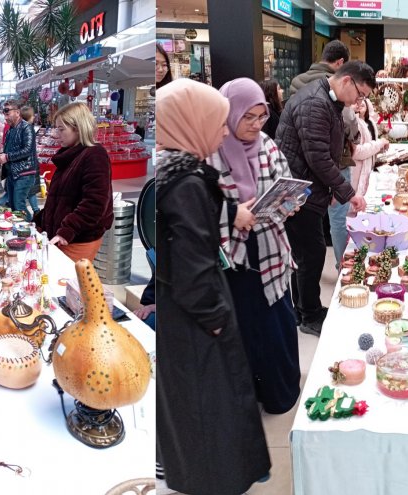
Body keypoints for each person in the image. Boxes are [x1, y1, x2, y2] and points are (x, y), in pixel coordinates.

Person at [156, 78, 271, 495]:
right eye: (217, 123)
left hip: (188, 322)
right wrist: (219, 319)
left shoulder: (177, 172)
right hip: (196, 328)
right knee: (211, 416)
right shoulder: (184, 183)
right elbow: (191, 269)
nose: (224, 132)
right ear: (191, 123)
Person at [209, 77, 300, 414]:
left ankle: (281, 393)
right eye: (248, 116)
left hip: (272, 248)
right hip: (235, 258)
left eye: (261, 116)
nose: (256, 124)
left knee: (278, 325)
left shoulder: (267, 145)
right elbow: (200, 203)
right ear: (230, 113)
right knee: (248, 330)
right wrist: (232, 214)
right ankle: (250, 396)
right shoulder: (212, 149)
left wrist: (292, 202)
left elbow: (285, 180)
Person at [276, 61, 372, 337]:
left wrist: (332, 191)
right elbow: (317, 158)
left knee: (306, 253)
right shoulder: (315, 103)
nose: (358, 101)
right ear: (346, 81)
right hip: (298, 192)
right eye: (360, 94)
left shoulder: (325, 99)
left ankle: (304, 309)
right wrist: (347, 192)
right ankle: (309, 314)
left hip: (307, 188)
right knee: (311, 253)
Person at [32, 102, 113, 262]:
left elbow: (94, 204)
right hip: (62, 235)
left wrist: (66, 231)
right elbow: (59, 200)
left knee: (69, 282)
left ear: (78, 128)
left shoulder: (94, 155)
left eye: (61, 129)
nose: (56, 133)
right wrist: (39, 220)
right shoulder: (70, 155)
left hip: (78, 239)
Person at [329, 97, 389, 267]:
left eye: (363, 100)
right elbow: (357, 152)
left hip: (358, 177)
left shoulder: (366, 122)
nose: (360, 103)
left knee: (351, 218)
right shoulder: (349, 122)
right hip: (350, 176)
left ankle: (350, 261)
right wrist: (379, 144)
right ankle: (343, 263)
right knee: (342, 222)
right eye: (357, 100)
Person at [0, 100, 35, 216]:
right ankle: (22, 231)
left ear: (17, 112)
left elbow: (27, 150)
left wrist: (6, 157)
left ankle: (31, 231)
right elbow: (11, 150)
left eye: (8, 112)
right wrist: (1, 154)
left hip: (24, 174)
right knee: (12, 205)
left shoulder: (26, 128)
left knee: (19, 206)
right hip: (12, 173)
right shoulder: (11, 130)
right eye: (4, 113)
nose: (5, 116)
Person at [20, 105, 41, 217]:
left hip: (25, 164)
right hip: (30, 165)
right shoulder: (28, 129)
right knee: (30, 190)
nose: (34, 117)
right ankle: (35, 211)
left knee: (28, 190)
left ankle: (35, 211)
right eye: (33, 115)